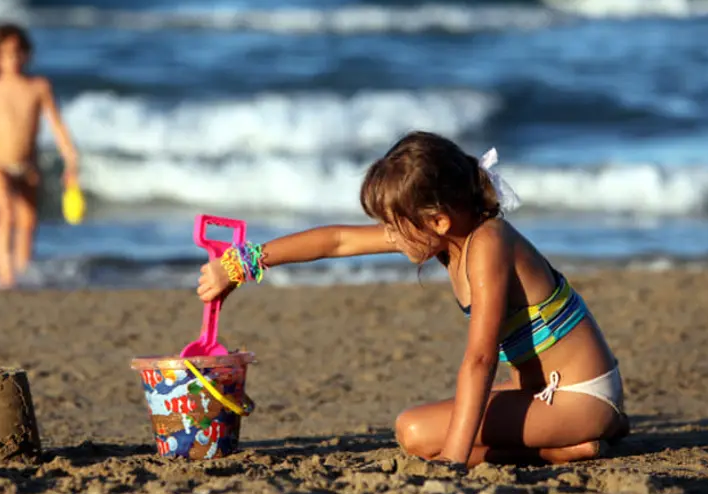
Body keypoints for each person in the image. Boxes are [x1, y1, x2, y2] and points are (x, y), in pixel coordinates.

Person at [196, 131, 629, 469]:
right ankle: (562, 446)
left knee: (417, 431)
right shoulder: (447, 238)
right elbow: (337, 241)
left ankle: (561, 447)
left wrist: (455, 462)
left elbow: (480, 360)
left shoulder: (487, 245)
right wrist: (241, 265)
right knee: (426, 427)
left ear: (438, 220)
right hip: (538, 390)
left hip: (578, 397)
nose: (390, 234)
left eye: (395, 225)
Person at [0, 22, 79, 288]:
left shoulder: (38, 86)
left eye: (17, 52)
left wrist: (70, 157)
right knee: (6, 214)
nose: (12, 59)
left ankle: (22, 267)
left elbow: (56, 124)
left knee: (28, 219)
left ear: (27, 53)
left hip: (27, 164)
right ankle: (6, 276)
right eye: (4, 54)